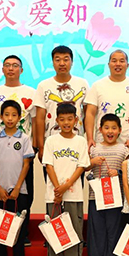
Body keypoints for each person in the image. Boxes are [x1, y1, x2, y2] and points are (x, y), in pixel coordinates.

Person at [0, 55, 37, 247]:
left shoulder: (31, 92)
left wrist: (35, 145)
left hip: (24, 150)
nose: (11, 68)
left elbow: (35, 121)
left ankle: (22, 232)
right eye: (7, 65)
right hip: (0, 150)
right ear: (2, 69)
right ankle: (0, 232)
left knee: (25, 192)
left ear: (21, 70)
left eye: (15, 65)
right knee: (0, 190)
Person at [41, 103, 90, 256]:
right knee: (55, 228)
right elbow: (48, 165)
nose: (66, 123)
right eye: (62, 119)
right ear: (57, 120)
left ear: (76, 120)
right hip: (54, 195)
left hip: (74, 194)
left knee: (74, 228)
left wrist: (66, 186)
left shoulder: (80, 141)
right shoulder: (51, 141)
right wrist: (58, 189)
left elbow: (81, 167)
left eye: (70, 119)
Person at [0, 100, 34, 256]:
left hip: (18, 192)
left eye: (14, 115)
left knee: (18, 229)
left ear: (20, 117)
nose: (10, 118)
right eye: (6, 115)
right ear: (0, 117)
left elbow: (26, 164)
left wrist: (17, 187)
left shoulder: (24, 139)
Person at [86, 113, 129, 256]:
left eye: (113, 128)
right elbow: (84, 168)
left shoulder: (124, 150)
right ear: (100, 129)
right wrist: (92, 163)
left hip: (116, 198)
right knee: (97, 229)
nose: (110, 131)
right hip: (96, 197)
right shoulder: (94, 149)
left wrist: (118, 172)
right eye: (106, 128)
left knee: (114, 228)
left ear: (119, 130)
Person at [35, 45, 89, 177]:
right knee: (52, 184)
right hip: (51, 143)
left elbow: (88, 115)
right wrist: (41, 146)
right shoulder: (43, 85)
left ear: (72, 62)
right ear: (53, 62)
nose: (62, 63)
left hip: (76, 142)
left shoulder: (82, 84)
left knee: (76, 183)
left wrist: (86, 140)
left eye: (66, 59)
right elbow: (40, 118)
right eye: (58, 59)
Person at [85, 50, 129, 147]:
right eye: (114, 61)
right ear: (109, 64)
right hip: (102, 143)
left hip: (127, 143)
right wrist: (90, 138)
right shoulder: (97, 86)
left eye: (122, 61)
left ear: (127, 65)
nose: (118, 64)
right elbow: (90, 113)